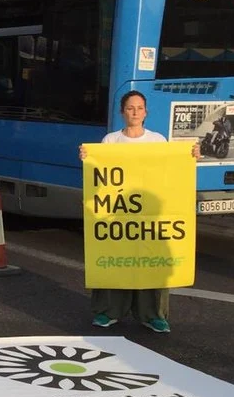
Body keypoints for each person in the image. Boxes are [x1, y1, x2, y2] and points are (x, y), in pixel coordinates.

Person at [79, 90, 200, 334]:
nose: (135, 112)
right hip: (118, 214)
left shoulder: (157, 140)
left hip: (150, 215)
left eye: (140, 108)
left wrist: (191, 157)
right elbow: (100, 175)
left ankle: (154, 315)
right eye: (130, 108)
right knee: (115, 259)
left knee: (151, 264)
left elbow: (170, 171)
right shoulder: (110, 141)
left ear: (146, 112)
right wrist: (87, 160)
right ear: (122, 112)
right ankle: (108, 311)